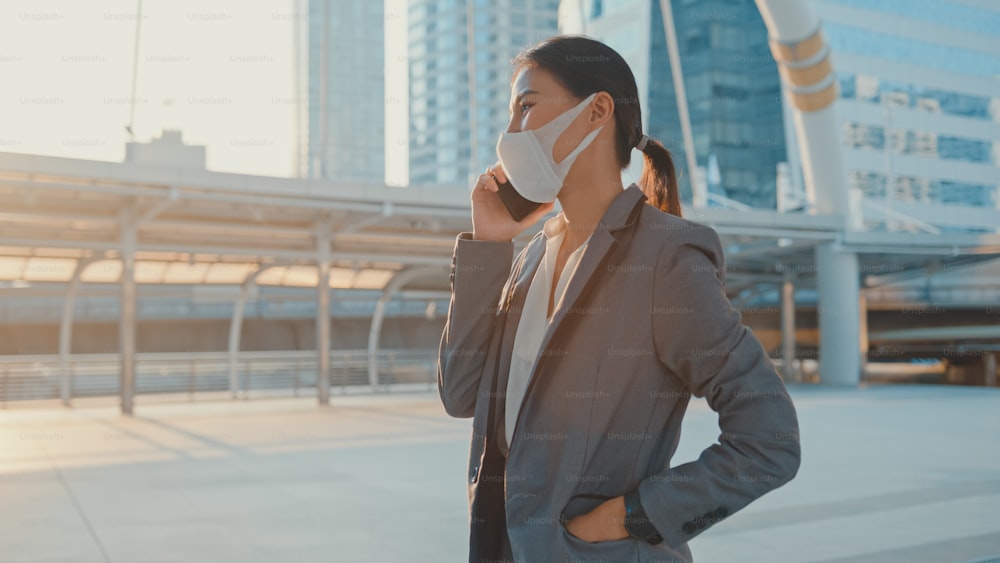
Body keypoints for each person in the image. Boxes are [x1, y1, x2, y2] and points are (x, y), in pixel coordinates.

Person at [437, 35, 800, 563]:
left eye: (527, 106)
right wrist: (488, 248)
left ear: (596, 111)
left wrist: (632, 518)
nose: (510, 133)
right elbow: (460, 394)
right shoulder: (530, 259)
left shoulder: (667, 256)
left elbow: (770, 441)